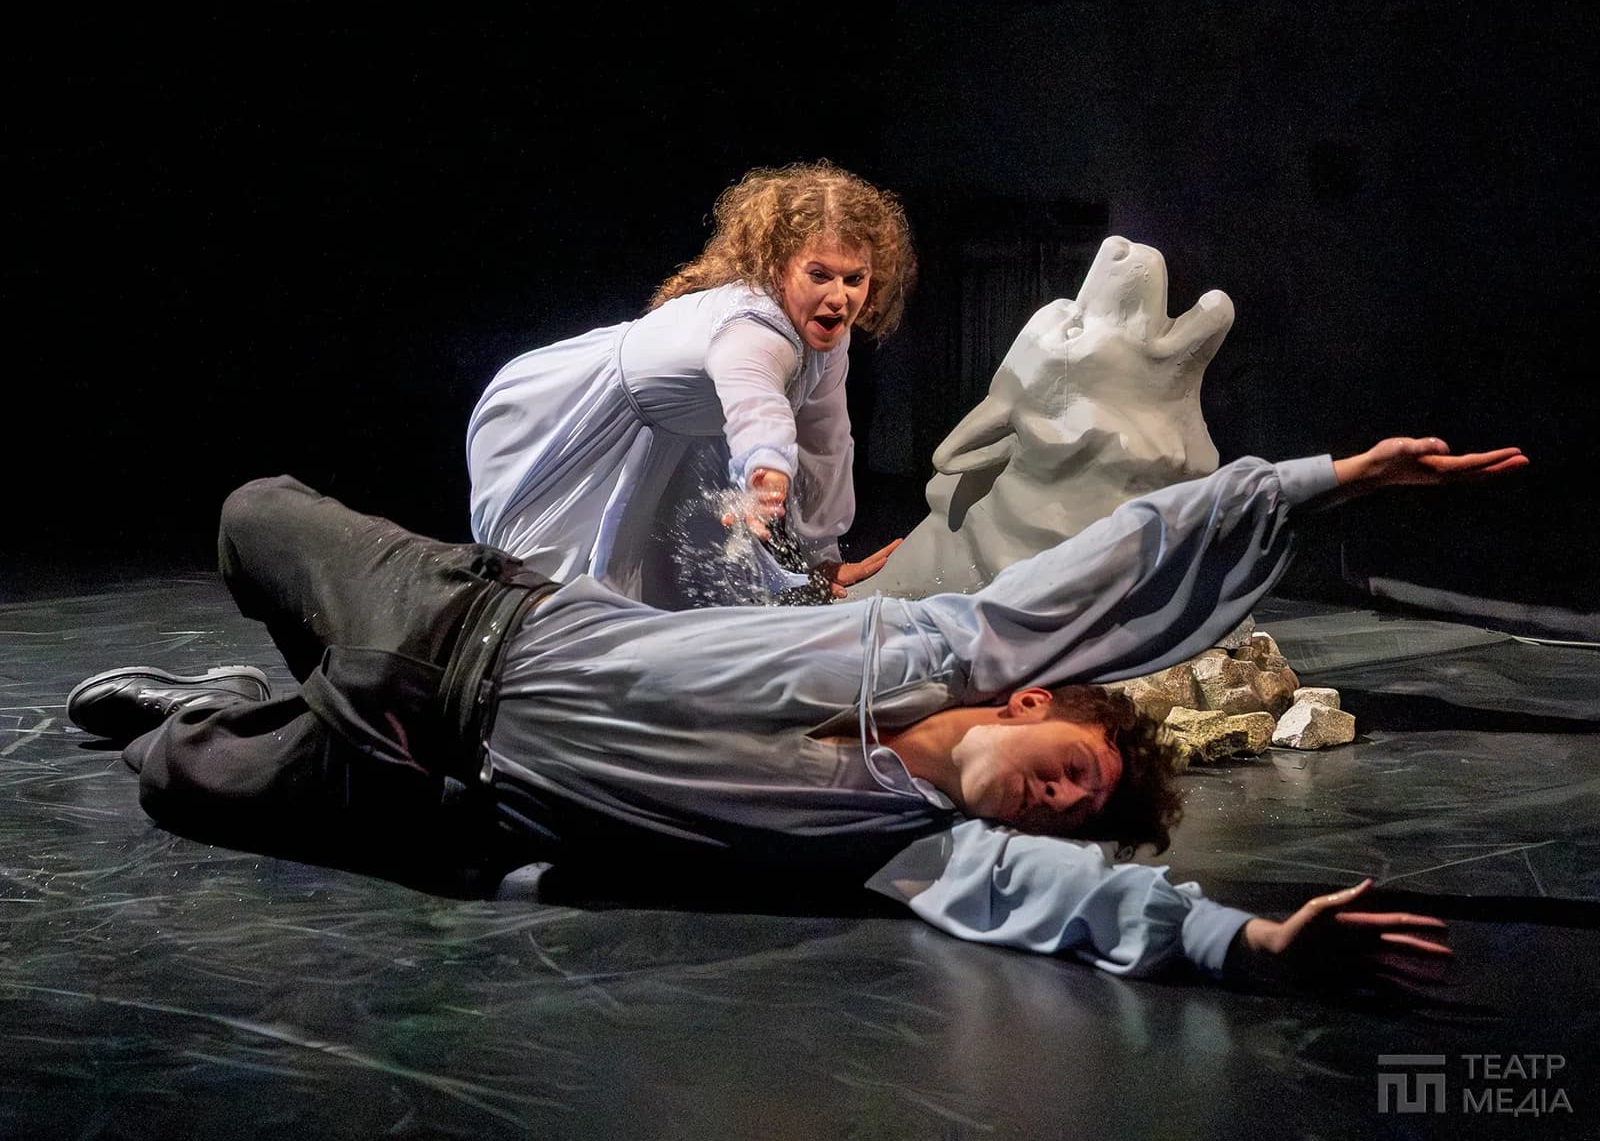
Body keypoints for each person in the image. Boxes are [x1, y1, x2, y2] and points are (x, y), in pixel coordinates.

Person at [65, 437, 1526, 987]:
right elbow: (1121, 557)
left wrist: (1251, 941)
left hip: (423, 765)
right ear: (1031, 701)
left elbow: (1089, 912)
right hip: (466, 615)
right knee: (252, 509)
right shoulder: (940, 643)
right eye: (1079, 768)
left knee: (175, 774)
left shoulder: (904, 849)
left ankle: (235, 714)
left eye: (1077, 813)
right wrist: (1325, 482)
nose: (1066, 800)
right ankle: (287, 667)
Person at [465, 160, 911, 609]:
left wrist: (821, 556)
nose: (839, 297)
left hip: (676, 440)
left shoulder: (830, 340)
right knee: (547, 599)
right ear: (779, 269)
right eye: (819, 275)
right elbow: (756, 403)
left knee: (665, 607)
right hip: (581, 425)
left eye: (854, 279)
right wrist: (765, 466)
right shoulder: (753, 330)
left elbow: (826, 444)